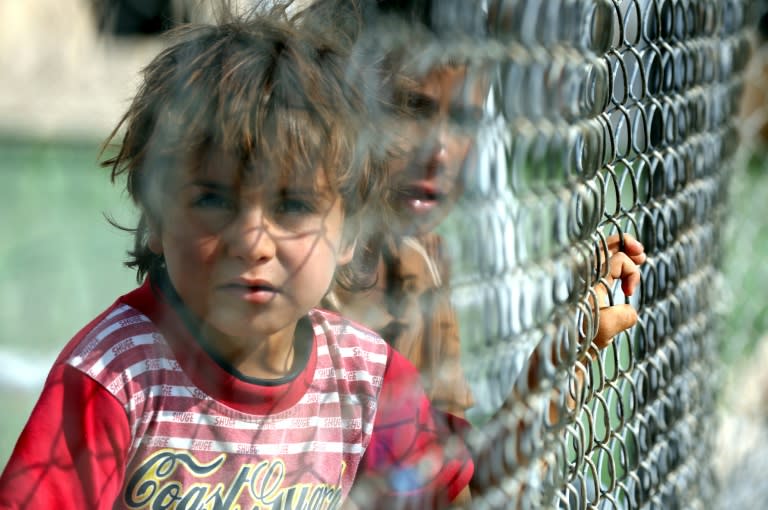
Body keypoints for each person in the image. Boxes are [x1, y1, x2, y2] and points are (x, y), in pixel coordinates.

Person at [0, 5, 473, 509]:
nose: (251, 241)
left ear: (350, 232)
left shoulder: (368, 382)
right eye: (214, 199)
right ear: (156, 217)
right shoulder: (117, 376)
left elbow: (448, 493)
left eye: (292, 206)